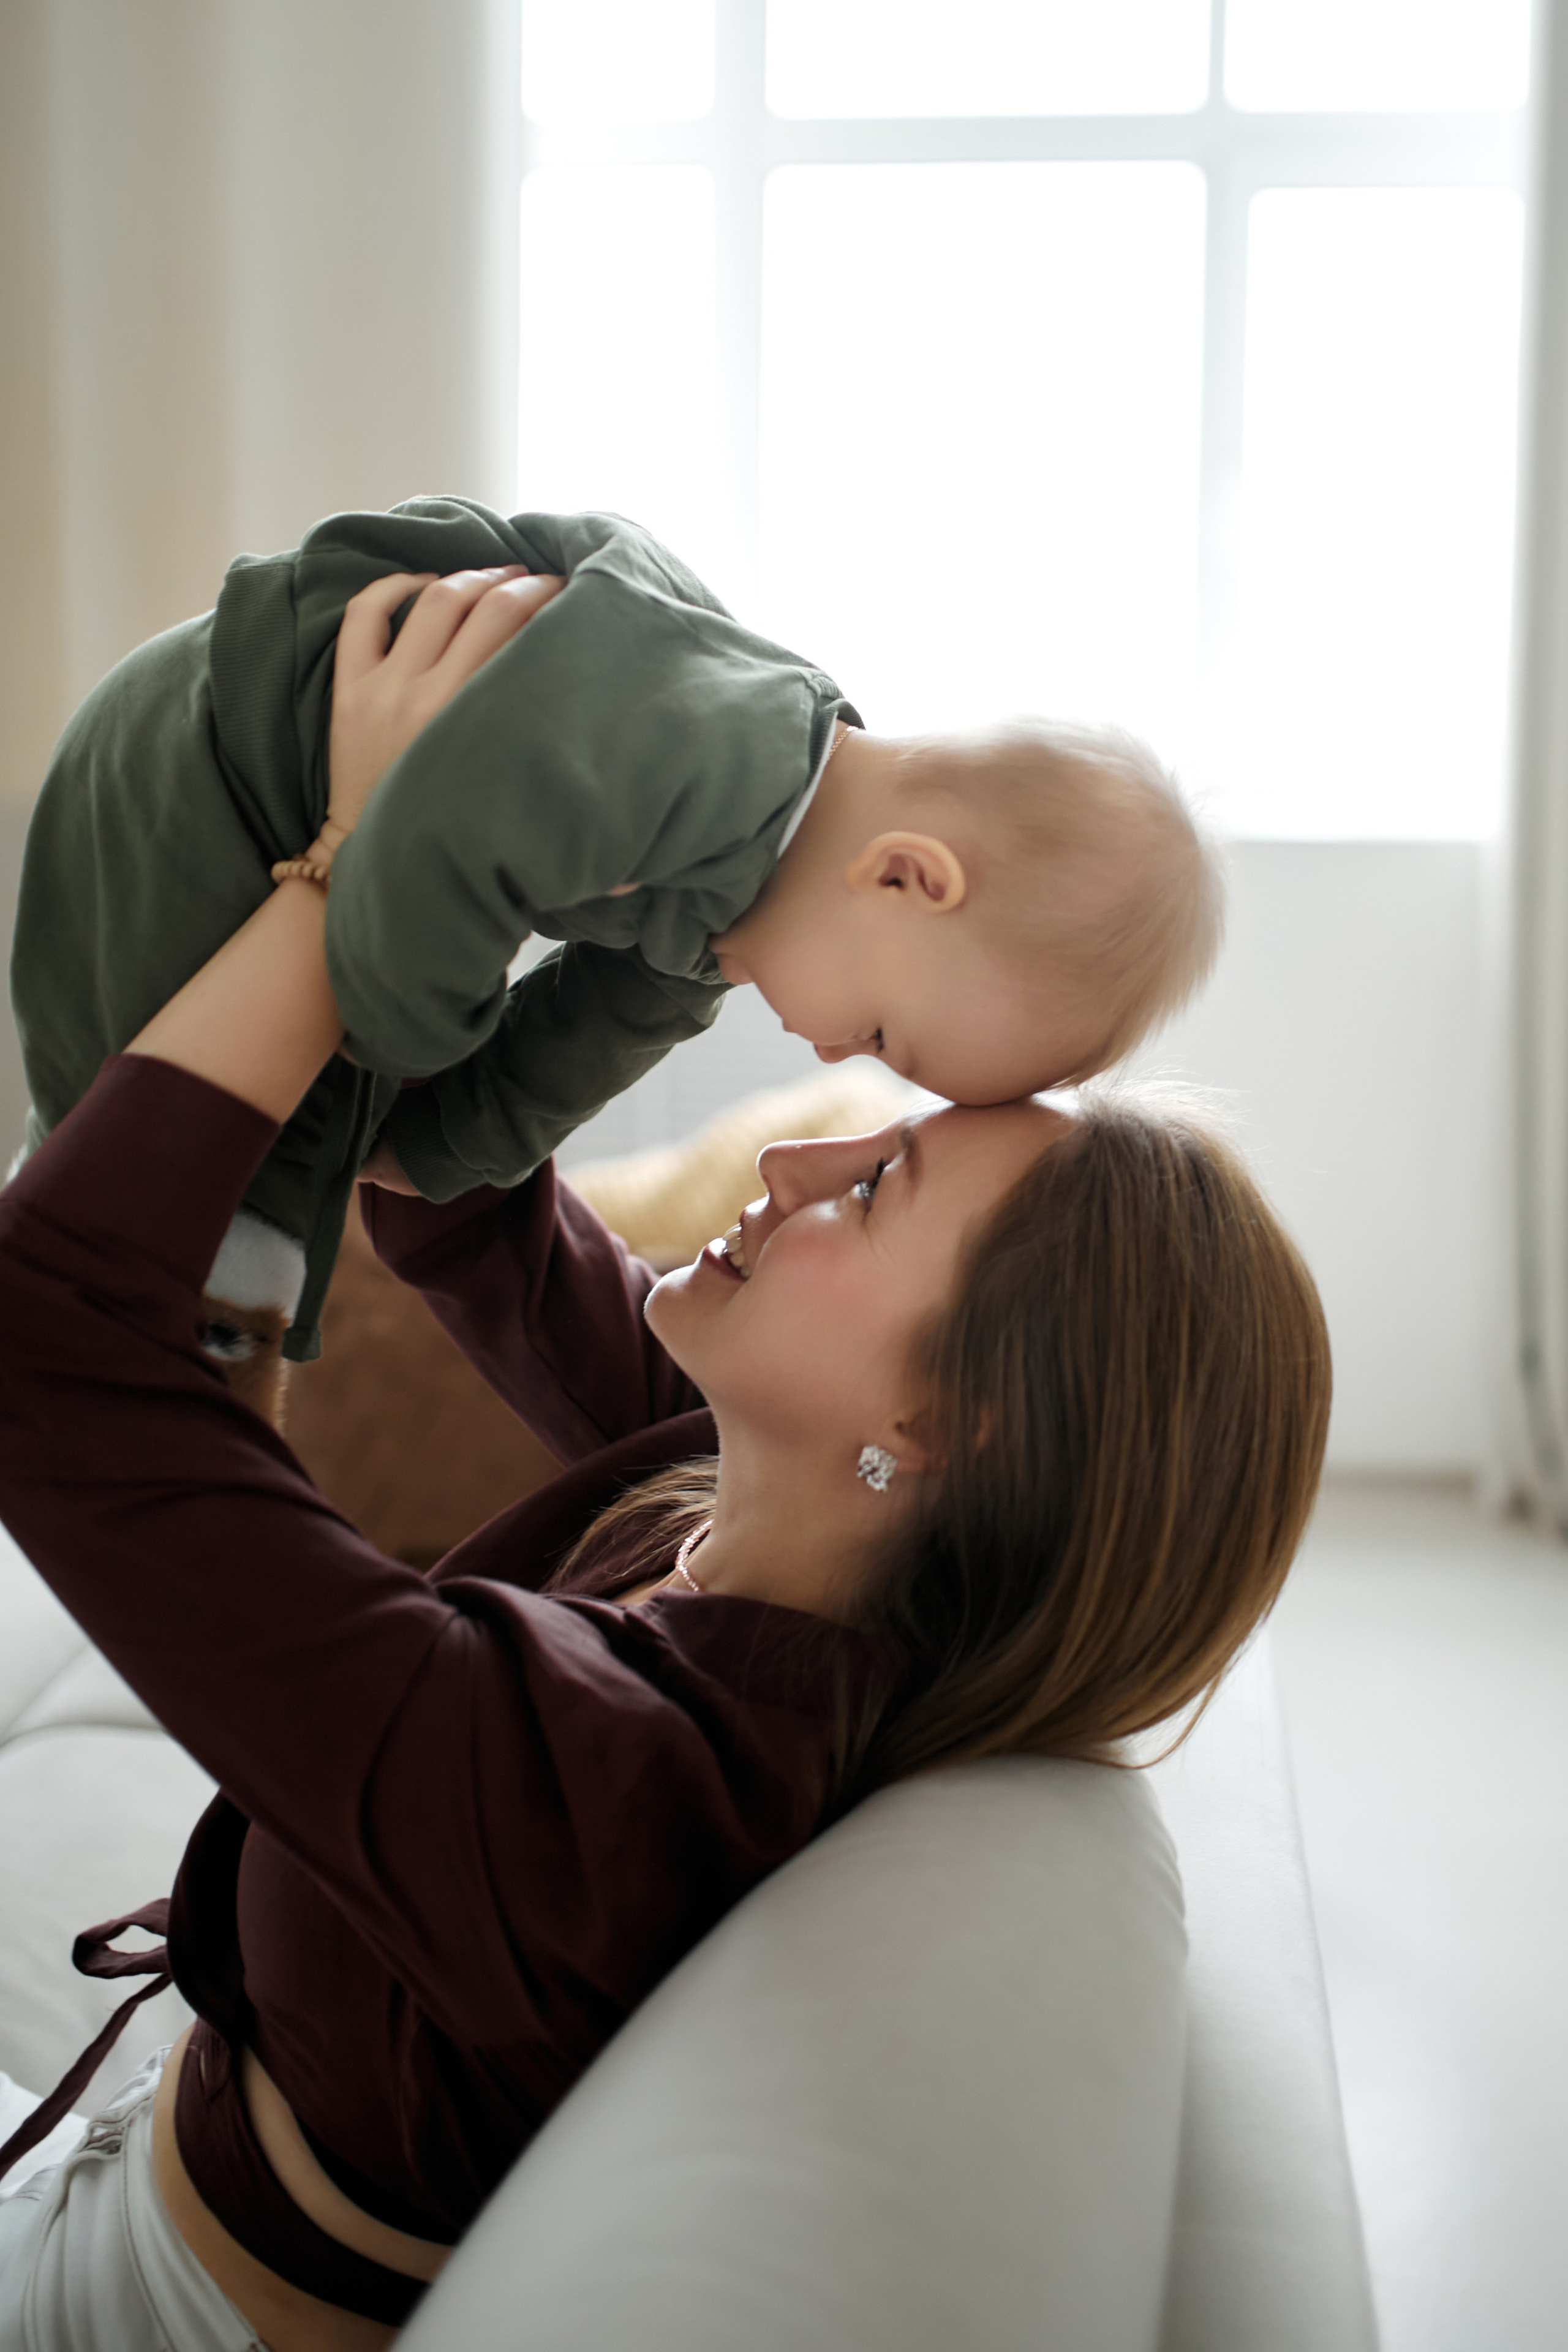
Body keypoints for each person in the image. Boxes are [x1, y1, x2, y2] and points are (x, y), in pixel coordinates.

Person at [0, 573, 1325, 2352]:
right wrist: (661, 876)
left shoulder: (585, 1786)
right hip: (106, 2148)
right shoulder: (773, 1537)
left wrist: (346, 871)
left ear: (940, 1428)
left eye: (872, 1183)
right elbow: (464, 1206)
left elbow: (44, 1346)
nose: (780, 1171)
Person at [10, 502, 1222, 1364]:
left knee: (283, 1165)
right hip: (210, 752)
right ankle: (165, 1401)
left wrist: (434, 1149)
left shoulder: (729, 906)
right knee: (219, 1192)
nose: (823, 1053)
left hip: (302, 805)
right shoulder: (694, 743)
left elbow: (570, 1052)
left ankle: (186, 1388)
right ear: (905, 877)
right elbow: (427, 861)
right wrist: (400, 1055)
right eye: (880, 1035)